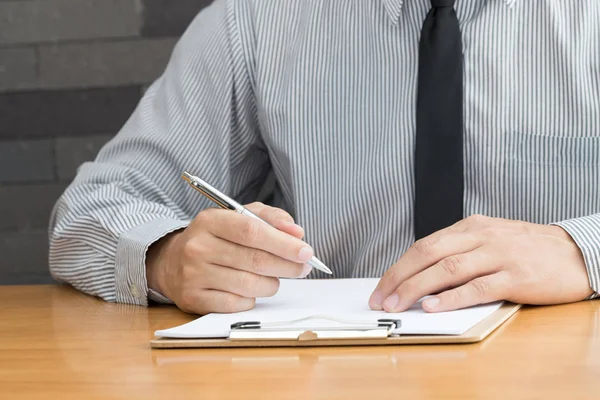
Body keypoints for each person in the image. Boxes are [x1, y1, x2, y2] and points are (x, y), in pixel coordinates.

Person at [48, 0, 599, 315]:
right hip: (333, 376)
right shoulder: (258, 21)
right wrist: (167, 257)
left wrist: (580, 252)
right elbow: (94, 206)